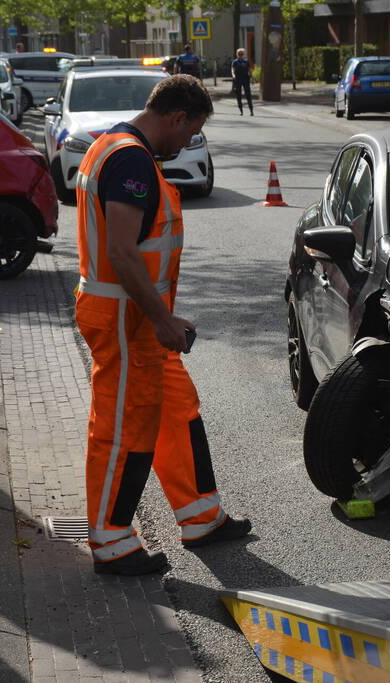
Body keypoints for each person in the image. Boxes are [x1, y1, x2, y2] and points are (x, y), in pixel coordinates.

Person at [75, 75, 252, 576]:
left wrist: (163, 318)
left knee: (176, 407)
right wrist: (162, 319)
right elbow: (122, 253)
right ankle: (111, 541)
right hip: (127, 320)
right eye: (190, 131)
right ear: (177, 117)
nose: (186, 143)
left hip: (136, 318)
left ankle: (201, 517)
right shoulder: (131, 159)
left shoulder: (109, 144)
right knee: (123, 426)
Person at [231, 48, 253, 116]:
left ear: (244, 55)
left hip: (245, 79)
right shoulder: (235, 62)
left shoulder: (246, 61)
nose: (240, 55)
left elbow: (250, 69)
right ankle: (241, 110)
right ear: (237, 55)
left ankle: (251, 110)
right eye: (239, 54)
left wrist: (250, 73)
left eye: (242, 54)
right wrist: (233, 75)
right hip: (238, 79)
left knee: (248, 94)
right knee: (238, 95)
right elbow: (232, 70)